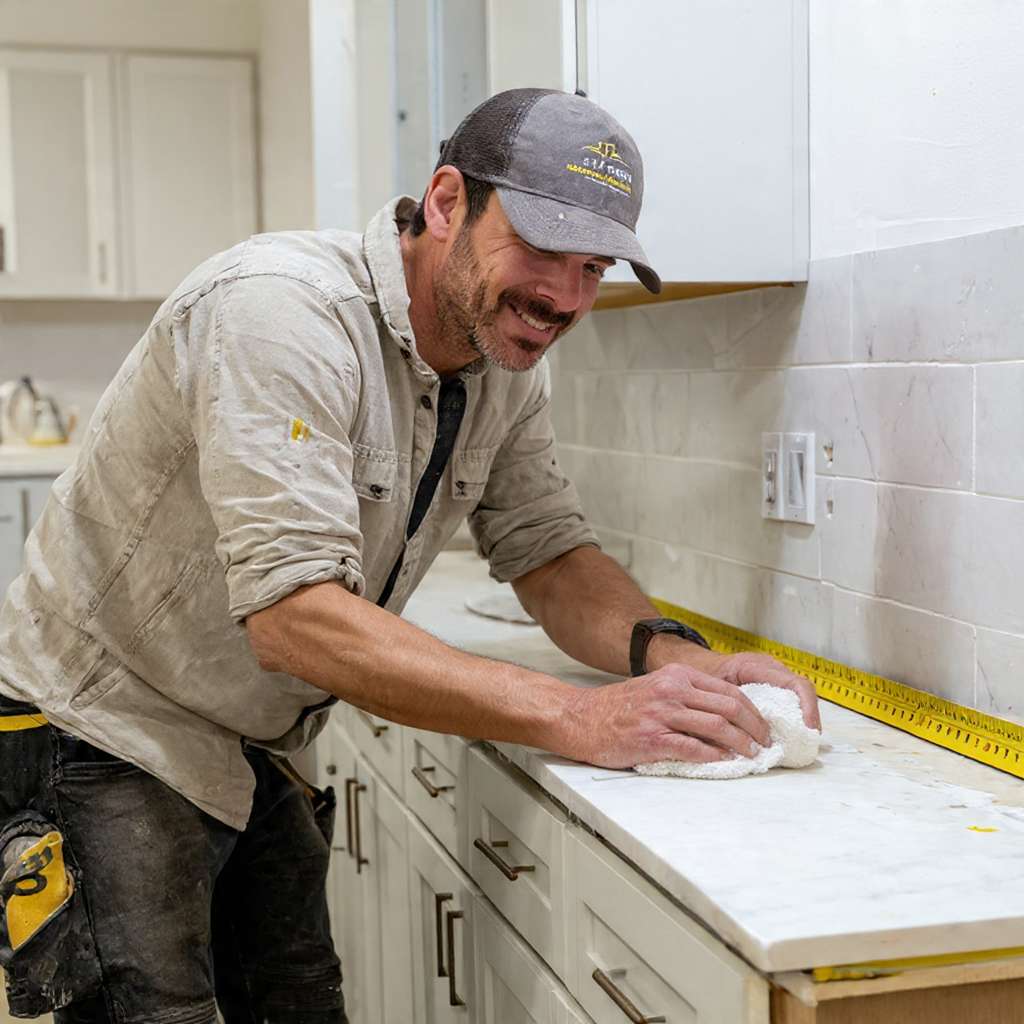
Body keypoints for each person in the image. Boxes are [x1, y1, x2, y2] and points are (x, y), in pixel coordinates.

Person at [0, 88, 819, 1022]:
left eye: (594, 265)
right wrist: (577, 717)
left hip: (250, 743)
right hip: (103, 731)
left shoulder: (500, 362)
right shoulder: (280, 310)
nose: (566, 297)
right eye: (543, 249)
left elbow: (548, 553)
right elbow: (294, 618)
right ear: (443, 202)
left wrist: (678, 659)